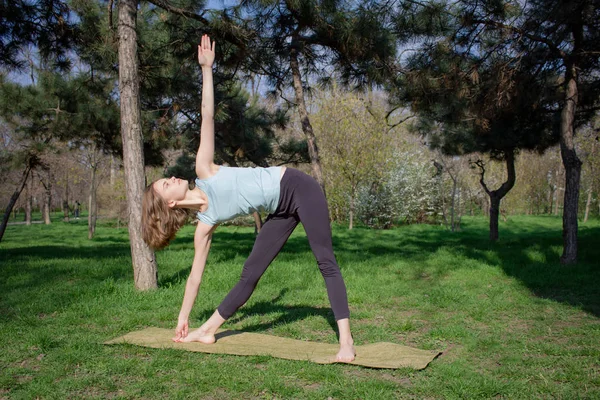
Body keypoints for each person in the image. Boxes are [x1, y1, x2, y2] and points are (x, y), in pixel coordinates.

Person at [141, 35, 355, 362]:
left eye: (166, 178)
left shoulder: (204, 168)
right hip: (280, 210)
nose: (171, 177)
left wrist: (207, 70)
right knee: (250, 273)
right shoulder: (204, 225)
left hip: (299, 188)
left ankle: (347, 344)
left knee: (325, 260)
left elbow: (207, 115)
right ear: (169, 203)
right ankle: (208, 329)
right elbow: (195, 277)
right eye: (165, 185)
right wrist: (184, 317)